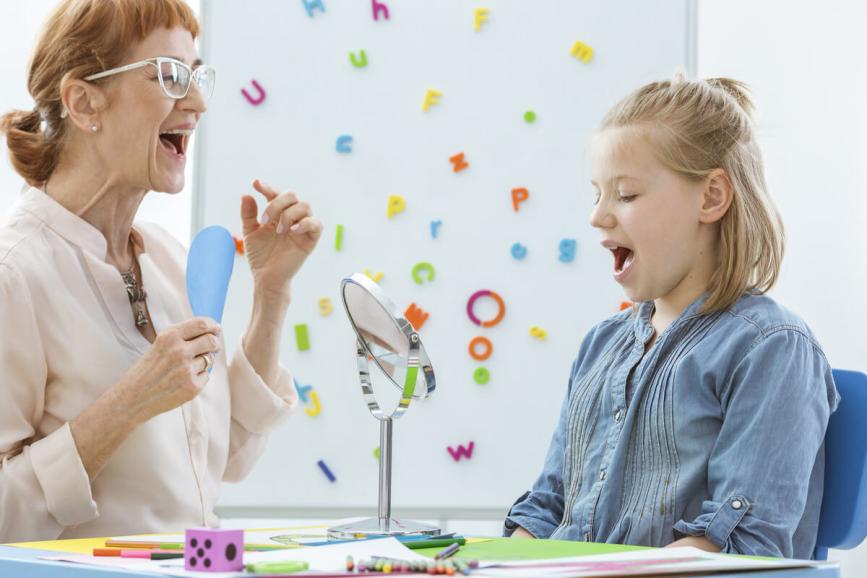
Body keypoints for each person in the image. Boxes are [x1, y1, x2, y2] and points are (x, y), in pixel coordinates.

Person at [0, 0, 322, 541]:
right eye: (171, 75)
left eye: (197, 76)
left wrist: (271, 294)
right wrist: (128, 404)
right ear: (83, 102)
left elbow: (225, 461)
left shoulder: (170, 260)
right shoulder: (15, 276)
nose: (196, 101)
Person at [503, 74, 839, 559]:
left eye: (626, 195)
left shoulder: (771, 348)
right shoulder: (601, 344)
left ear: (711, 198)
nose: (597, 216)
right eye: (596, 194)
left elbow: (741, 545)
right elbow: (548, 507)